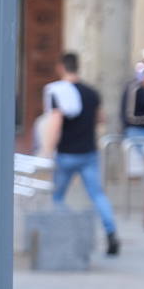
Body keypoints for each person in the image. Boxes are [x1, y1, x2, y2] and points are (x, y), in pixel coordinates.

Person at [41, 53, 120, 256]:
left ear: (61, 67)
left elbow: (55, 122)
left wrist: (46, 150)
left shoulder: (58, 91)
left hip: (66, 153)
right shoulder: (92, 93)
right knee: (97, 194)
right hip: (88, 152)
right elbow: (100, 118)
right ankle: (111, 232)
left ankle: (68, 230)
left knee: (57, 197)